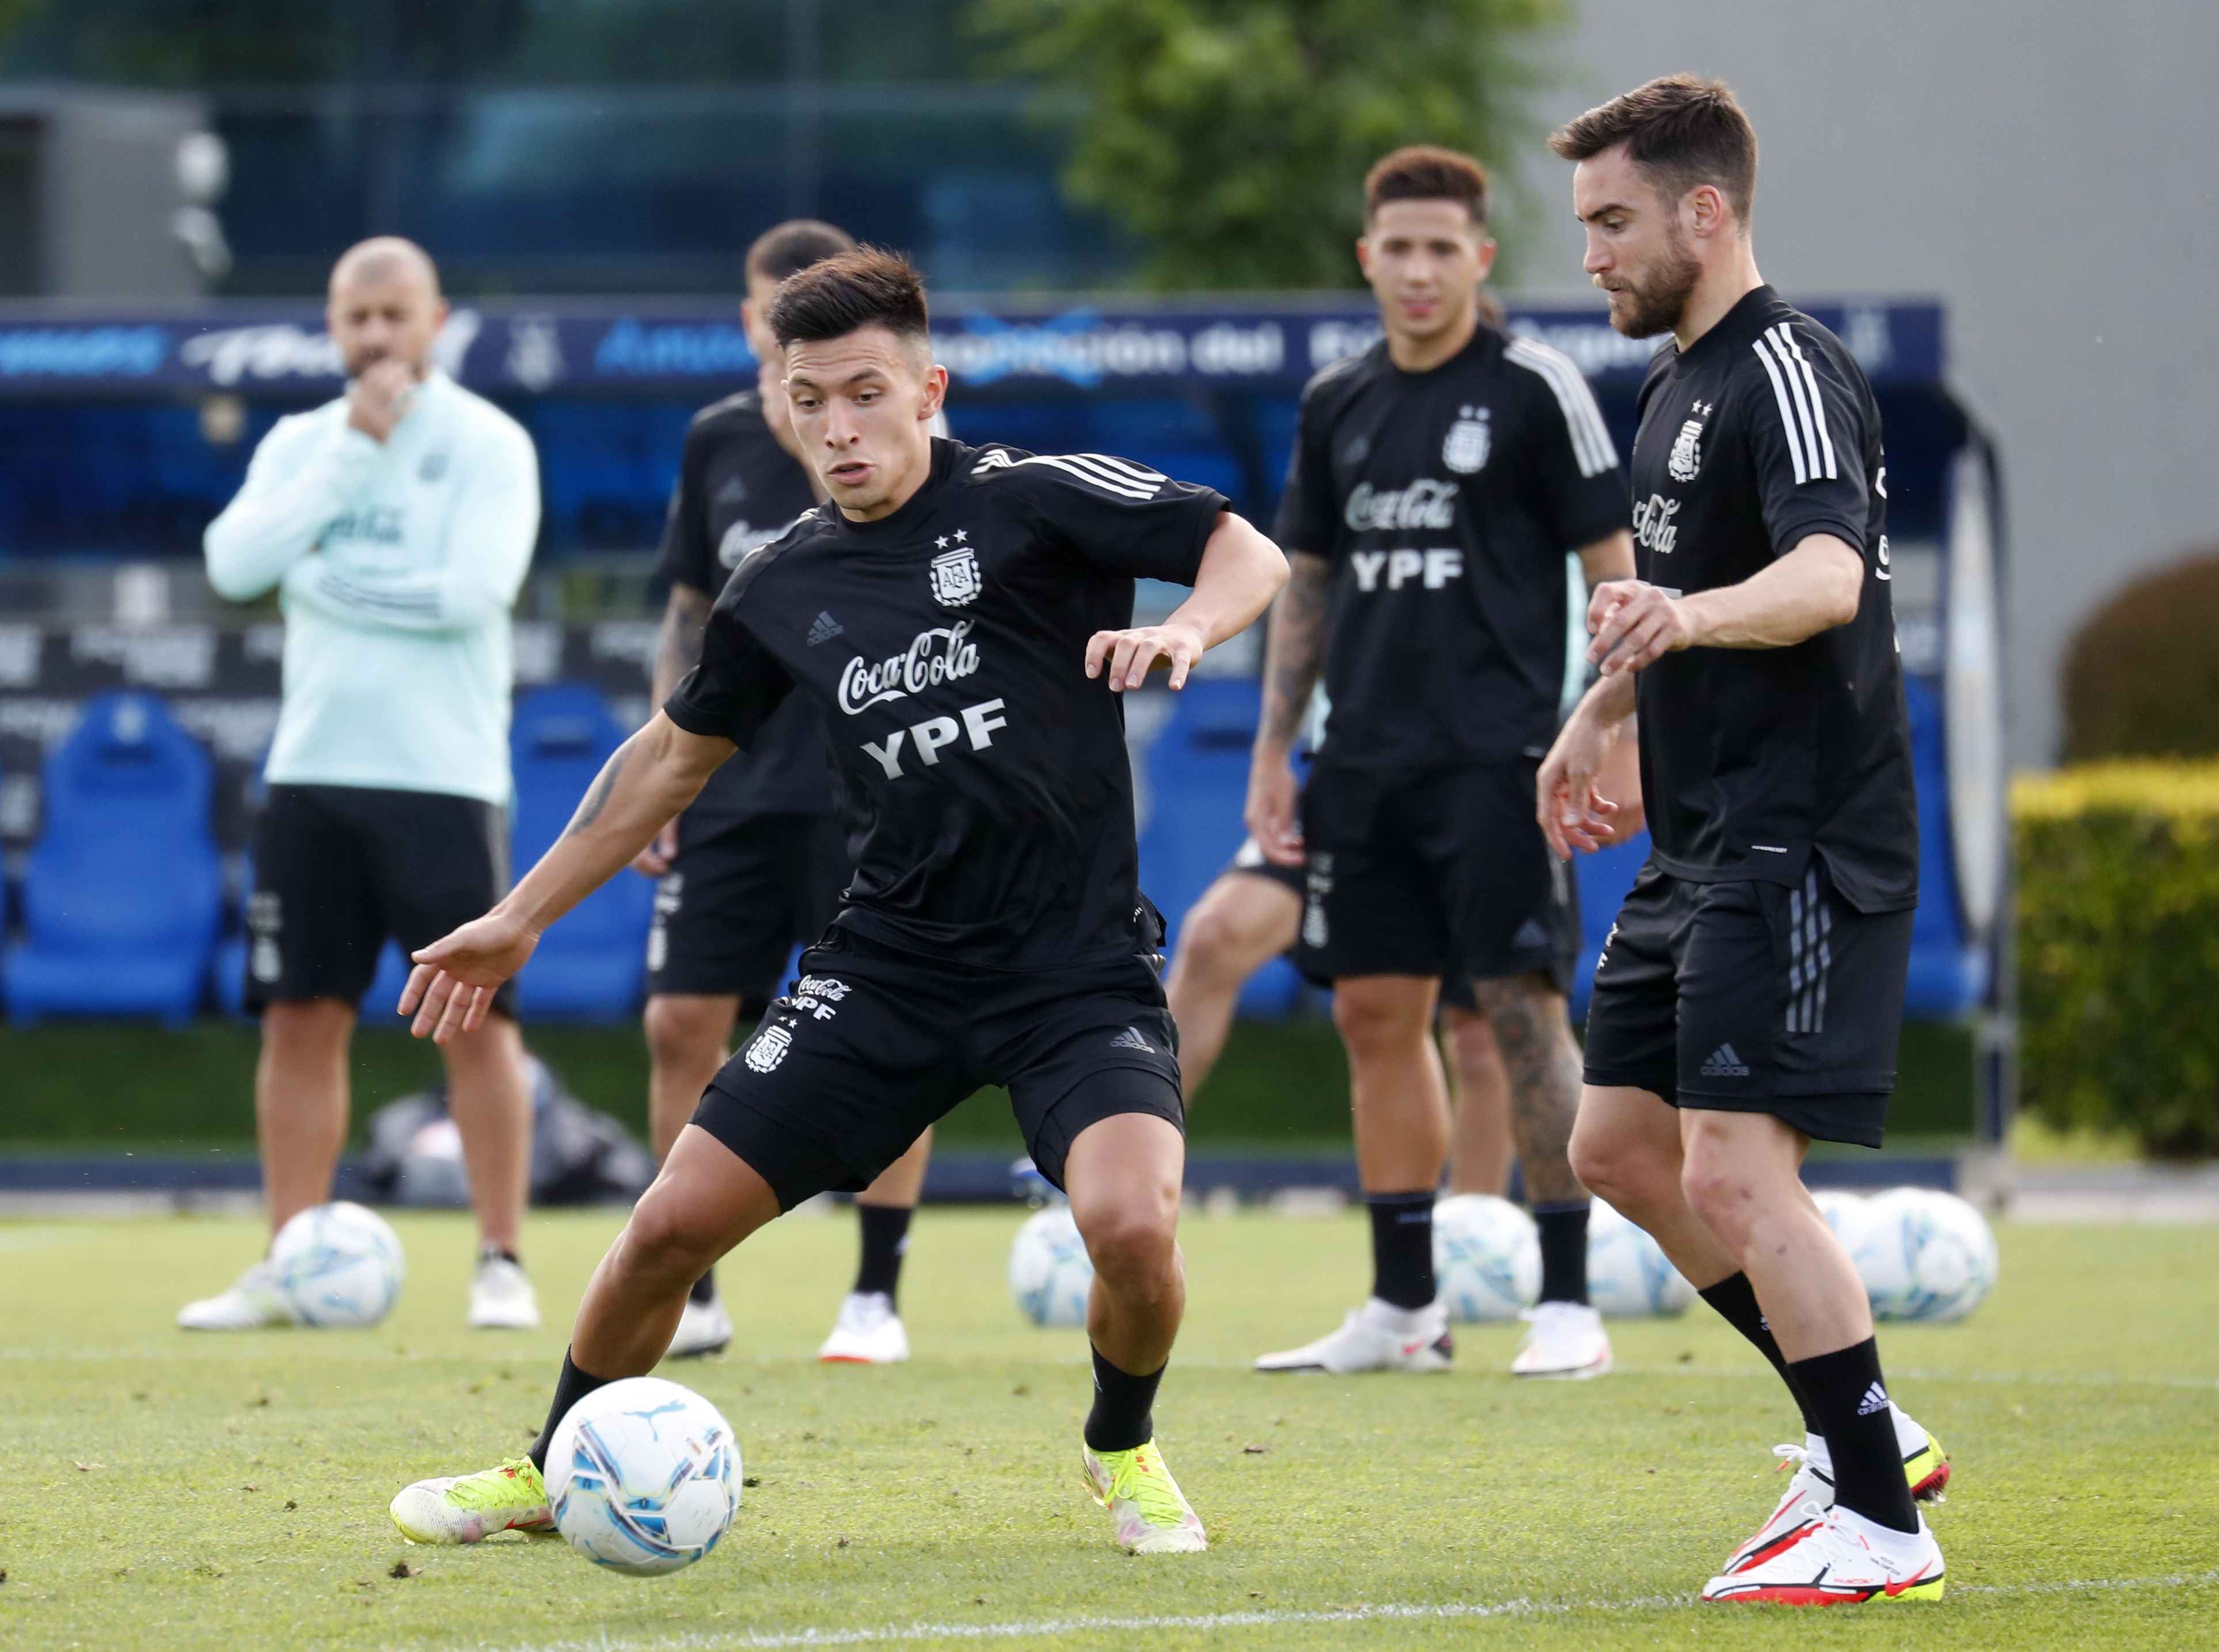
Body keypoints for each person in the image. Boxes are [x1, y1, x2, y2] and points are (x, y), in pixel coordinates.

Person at [386, 249, 1287, 1556]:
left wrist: (1189, 628)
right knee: (666, 1228)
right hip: (890, 966)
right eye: (810, 399)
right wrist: (521, 913)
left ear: (929, 386)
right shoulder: (779, 586)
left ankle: (1120, 1442)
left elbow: (1239, 546)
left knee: (1133, 1226)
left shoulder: (1031, 499)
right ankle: (550, 1464)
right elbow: (667, 756)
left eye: (866, 392)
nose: (839, 425)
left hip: (1069, 968)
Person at [1540, 76, 1950, 1604]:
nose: (1588, 254)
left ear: (1703, 211)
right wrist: (1604, 711)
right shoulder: (1666, 390)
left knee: (1729, 1171)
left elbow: (1825, 576)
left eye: (1610, 221)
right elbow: (1675, 612)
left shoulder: (1786, 366)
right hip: (1698, 838)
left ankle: (1879, 1526)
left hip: (1798, 834)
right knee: (1615, 1147)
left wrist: (1684, 616)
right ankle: (1865, 1432)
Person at [1245, 148, 1635, 1380]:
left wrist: (1615, 723)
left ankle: (1567, 1297)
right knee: (1373, 1014)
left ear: (1479, 258)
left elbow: (1613, 572)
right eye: (1395, 249)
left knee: (1519, 1010)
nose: (1417, 271)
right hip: (1359, 762)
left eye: (1440, 249)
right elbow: (1304, 582)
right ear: (1368, 259)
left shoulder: (1535, 387)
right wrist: (1274, 749)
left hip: (1500, 761)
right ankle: (1403, 1306)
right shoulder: (1335, 404)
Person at [187, 237, 543, 1332]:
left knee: (474, 1023)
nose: (378, 337)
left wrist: (328, 576)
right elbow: (233, 565)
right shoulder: (305, 441)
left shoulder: (489, 441)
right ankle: (290, 1258)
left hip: (441, 775)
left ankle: (500, 1258)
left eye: (397, 315)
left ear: (436, 318)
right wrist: (349, 451)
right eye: (357, 317)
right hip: (310, 773)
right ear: (333, 326)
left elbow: (470, 592)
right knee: (298, 1017)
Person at [639, 218, 935, 1365]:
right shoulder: (714, 440)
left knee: (893, 1033)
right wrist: (665, 768)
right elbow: (684, 613)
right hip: (730, 794)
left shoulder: (897, 440)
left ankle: (875, 1293)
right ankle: (695, 1287)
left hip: (864, 798)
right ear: (751, 323)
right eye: (775, 329)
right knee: (678, 1020)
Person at [1167, 838, 1520, 1198]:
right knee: (1214, 936)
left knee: (1479, 1034)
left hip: (1466, 802)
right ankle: (1134, 1180)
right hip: (1347, 799)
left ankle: (1470, 1233)